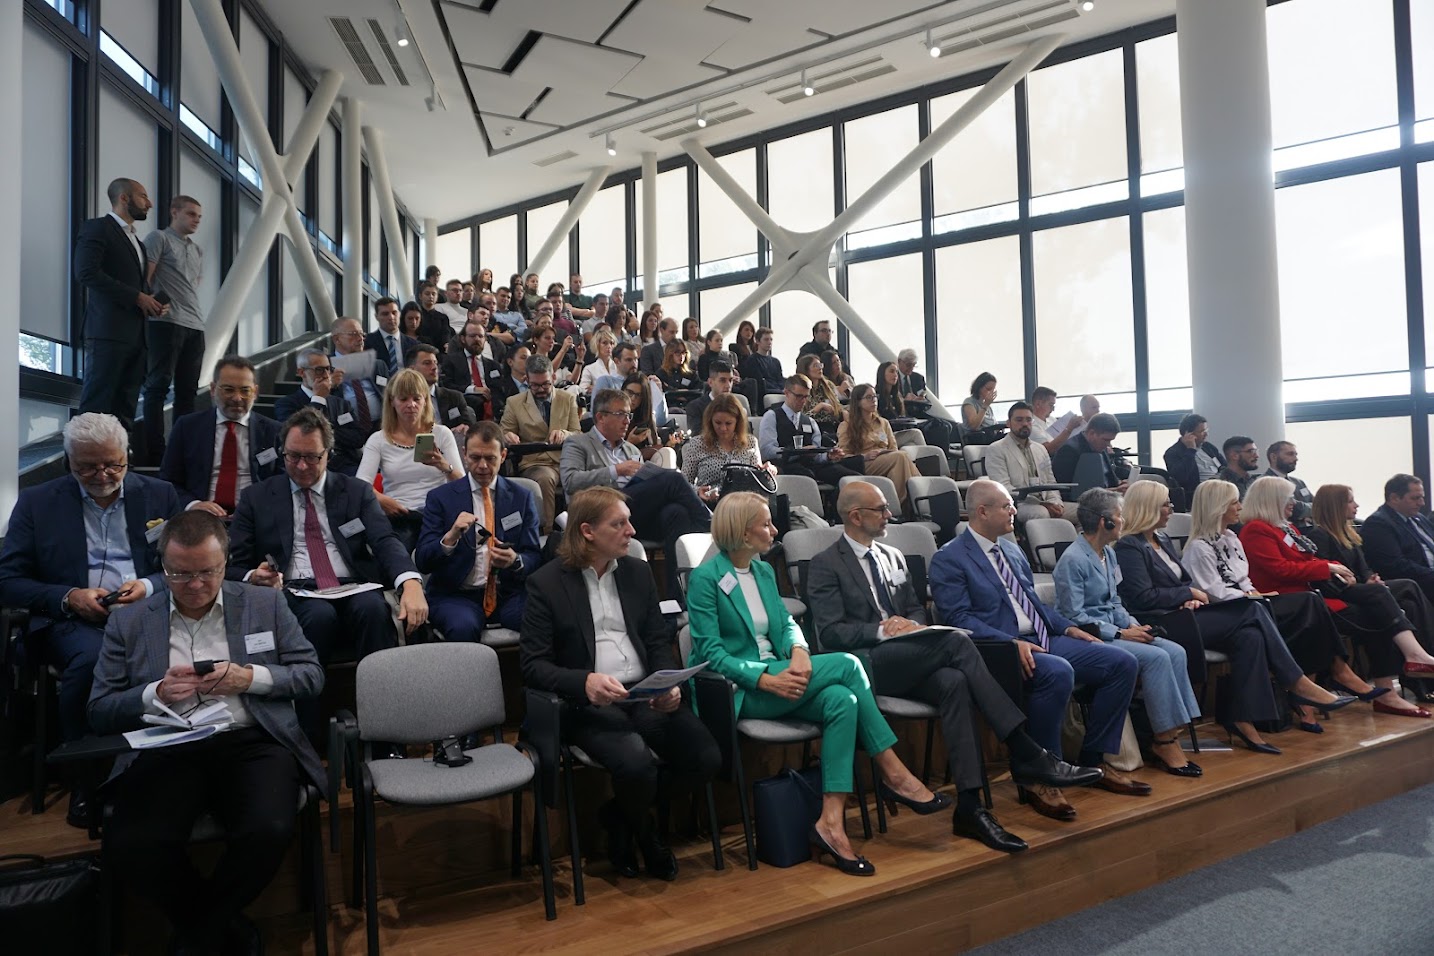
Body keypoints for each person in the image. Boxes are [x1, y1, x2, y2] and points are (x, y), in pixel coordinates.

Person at [808, 482, 1101, 852]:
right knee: (958, 641)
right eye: (880, 509)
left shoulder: (893, 556)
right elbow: (830, 634)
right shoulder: (825, 564)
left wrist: (911, 623)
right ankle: (1025, 749)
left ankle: (970, 806)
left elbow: (915, 608)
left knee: (954, 681)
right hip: (866, 665)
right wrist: (883, 629)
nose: (889, 515)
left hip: (910, 656)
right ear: (855, 516)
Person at [88, 510, 324, 956]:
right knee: (134, 841)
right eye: (181, 574)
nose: (195, 585)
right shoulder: (129, 621)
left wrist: (249, 678)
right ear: (162, 567)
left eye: (208, 572)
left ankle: (198, 937)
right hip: (167, 745)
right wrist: (154, 693)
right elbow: (99, 710)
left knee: (269, 828)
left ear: (225, 562)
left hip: (251, 739)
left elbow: (311, 676)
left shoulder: (264, 604)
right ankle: (222, 928)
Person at [689, 492, 948, 875]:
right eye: (765, 524)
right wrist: (765, 679)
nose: (774, 531)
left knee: (842, 700)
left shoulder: (762, 570)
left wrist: (798, 650)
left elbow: (786, 623)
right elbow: (711, 654)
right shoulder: (705, 578)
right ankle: (893, 771)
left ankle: (830, 823)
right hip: (741, 690)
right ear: (743, 533)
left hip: (782, 673)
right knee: (848, 664)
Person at [520, 487, 720, 881]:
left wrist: (668, 684)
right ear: (588, 531)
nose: (632, 531)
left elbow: (657, 640)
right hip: (588, 703)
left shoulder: (637, 572)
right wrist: (584, 682)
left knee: (706, 757)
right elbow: (532, 666)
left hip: (643, 693)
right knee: (636, 764)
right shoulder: (546, 584)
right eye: (619, 524)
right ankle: (645, 834)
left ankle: (618, 817)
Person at [0, 412, 181, 824]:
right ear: (69, 461)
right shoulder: (37, 502)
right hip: (72, 621)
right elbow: (8, 580)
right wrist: (68, 597)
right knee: (95, 661)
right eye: (87, 467)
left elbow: (182, 565)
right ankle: (88, 777)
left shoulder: (160, 494)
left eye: (114, 464)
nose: (102, 475)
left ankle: (163, 768)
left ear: (127, 455)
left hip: (148, 611)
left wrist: (149, 585)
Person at [930, 479, 1140, 820]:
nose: (1014, 510)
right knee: (1057, 672)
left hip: (1042, 638)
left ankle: (1093, 759)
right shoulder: (949, 558)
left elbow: (1034, 606)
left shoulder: (1012, 550)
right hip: (997, 648)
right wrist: (1010, 642)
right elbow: (958, 618)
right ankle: (1042, 774)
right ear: (982, 512)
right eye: (1006, 506)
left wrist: (1068, 627)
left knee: (1121, 662)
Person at [228, 408, 427, 742]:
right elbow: (235, 564)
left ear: (328, 454)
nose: (301, 466)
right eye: (293, 457)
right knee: (318, 617)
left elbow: (385, 541)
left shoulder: (356, 491)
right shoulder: (256, 497)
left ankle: (387, 735)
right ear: (282, 452)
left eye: (312, 457)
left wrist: (410, 581)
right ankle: (308, 737)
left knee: (374, 610)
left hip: (353, 584)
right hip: (295, 588)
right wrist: (253, 575)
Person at [1115, 479, 1339, 752]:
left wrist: (1188, 596)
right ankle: (1295, 681)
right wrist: (1188, 594)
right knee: (1253, 609)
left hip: (1185, 614)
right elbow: (1143, 597)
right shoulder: (1129, 546)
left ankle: (1243, 719)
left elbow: (1180, 582)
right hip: (1161, 623)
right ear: (1148, 507)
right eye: (1165, 505)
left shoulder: (1161, 539)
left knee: (1250, 636)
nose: (1171, 509)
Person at [1181, 479, 1372, 733]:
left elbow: (1243, 578)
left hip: (1248, 605)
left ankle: (1316, 683)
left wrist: (1253, 592)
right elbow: (1215, 591)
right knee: (1307, 604)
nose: (1240, 506)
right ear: (1218, 507)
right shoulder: (1199, 547)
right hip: (1227, 610)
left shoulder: (1231, 538)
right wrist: (1252, 596)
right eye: (1234, 502)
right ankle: (1314, 680)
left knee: (1306, 606)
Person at [1239, 476, 1412, 720]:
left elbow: (1308, 560)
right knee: (1370, 614)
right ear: (1271, 500)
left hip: (1307, 598)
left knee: (1375, 613)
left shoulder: (1286, 528)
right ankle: (1340, 674)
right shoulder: (1256, 529)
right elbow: (1280, 569)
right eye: (1287, 498)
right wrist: (1328, 567)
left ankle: (1359, 682)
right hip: (1284, 601)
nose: (1294, 503)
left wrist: (1333, 567)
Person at [1055, 488, 1201, 776]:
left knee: (1175, 651)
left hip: (1117, 629)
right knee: (1157, 658)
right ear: (1105, 522)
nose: (1124, 521)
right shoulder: (1073, 559)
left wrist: (1132, 625)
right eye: (1119, 515)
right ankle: (1164, 740)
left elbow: (1115, 602)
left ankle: (1173, 730)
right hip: (1092, 637)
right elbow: (1074, 617)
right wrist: (1120, 634)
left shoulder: (1108, 553)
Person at [560, 389, 712, 600]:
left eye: (628, 414)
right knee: (673, 479)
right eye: (620, 414)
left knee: (676, 513)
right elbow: (570, 481)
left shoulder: (631, 450)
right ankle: (711, 524)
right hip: (599, 511)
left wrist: (694, 491)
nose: (627, 421)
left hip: (635, 515)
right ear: (600, 417)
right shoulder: (578, 443)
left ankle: (675, 599)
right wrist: (615, 470)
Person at [416, 423, 539, 639]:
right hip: (456, 595)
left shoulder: (522, 497)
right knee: (462, 627)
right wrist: (450, 538)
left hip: (508, 593)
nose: (482, 466)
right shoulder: (440, 498)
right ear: (464, 454)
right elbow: (423, 561)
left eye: (490, 458)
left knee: (542, 618)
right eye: (475, 458)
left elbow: (535, 556)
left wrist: (516, 560)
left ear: (503, 455)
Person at [1310, 483, 1434, 694]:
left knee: (1409, 602)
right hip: (1341, 593)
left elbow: (1364, 567)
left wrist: (1370, 578)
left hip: (1361, 589)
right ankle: (1419, 655)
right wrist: (1360, 582)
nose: (1356, 505)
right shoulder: (1319, 535)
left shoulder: (1348, 533)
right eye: (1350, 501)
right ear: (1335, 505)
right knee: (1401, 587)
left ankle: (1420, 676)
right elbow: (1323, 578)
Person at [77, 177, 167, 432]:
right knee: (96, 406)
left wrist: (151, 301)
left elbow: (138, 286)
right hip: (107, 334)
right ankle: (83, 458)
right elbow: (86, 272)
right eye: (143, 196)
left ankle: (120, 457)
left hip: (137, 338)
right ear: (124, 198)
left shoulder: (138, 243)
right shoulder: (98, 228)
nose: (149, 203)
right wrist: (137, 297)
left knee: (125, 411)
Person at [356, 368, 464, 552]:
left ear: (425, 401)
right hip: (400, 514)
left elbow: (462, 484)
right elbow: (360, 486)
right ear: (392, 402)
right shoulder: (378, 439)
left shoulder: (442, 433)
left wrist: (444, 465)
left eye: (416, 398)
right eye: (403, 399)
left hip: (437, 511)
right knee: (396, 550)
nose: (411, 405)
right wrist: (382, 500)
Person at [159, 356, 282, 513]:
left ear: (255, 392)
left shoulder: (274, 431)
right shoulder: (187, 427)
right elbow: (168, 481)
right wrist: (193, 504)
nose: (237, 398)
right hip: (200, 516)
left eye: (245, 390)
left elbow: (283, 482)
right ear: (212, 389)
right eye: (228, 390)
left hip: (256, 516)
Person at [140, 194, 206, 463]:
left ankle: (181, 454)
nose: (196, 220)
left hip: (195, 324)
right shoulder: (159, 238)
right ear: (174, 212)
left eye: (199, 217)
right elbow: (144, 280)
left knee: (188, 393)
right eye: (191, 214)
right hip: (165, 324)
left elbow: (192, 285)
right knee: (157, 387)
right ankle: (155, 454)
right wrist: (153, 304)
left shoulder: (197, 250)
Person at [500, 354, 582, 533]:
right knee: (545, 478)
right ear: (526, 380)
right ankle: (547, 532)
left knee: (589, 475)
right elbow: (504, 432)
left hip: (565, 461)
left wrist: (564, 433)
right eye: (535, 385)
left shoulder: (567, 399)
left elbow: (577, 433)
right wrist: (508, 436)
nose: (541, 389)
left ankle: (579, 530)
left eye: (546, 384)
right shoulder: (514, 402)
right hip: (534, 462)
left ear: (554, 377)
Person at [274, 348, 368, 476]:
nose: (325, 375)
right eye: (319, 370)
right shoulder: (287, 404)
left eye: (328, 369)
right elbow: (305, 433)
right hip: (309, 466)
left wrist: (325, 431)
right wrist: (318, 399)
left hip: (345, 464)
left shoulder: (340, 403)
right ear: (301, 372)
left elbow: (358, 438)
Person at [758, 374, 863, 486]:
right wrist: (797, 451)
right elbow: (767, 451)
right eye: (799, 396)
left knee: (852, 478)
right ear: (787, 393)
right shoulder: (772, 416)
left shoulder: (810, 422)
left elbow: (816, 454)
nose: (803, 401)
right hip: (786, 466)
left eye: (806, 396)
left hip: (813, 466)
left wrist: (827, 456)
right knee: (807, 475)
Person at [984, 402, 1071, 527]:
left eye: (1028, 420)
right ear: (1008, 423)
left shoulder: (1040, 449)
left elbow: (1051, 481)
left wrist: (1056, 503)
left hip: (1046, 501)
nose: (1025, 424)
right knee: (1042, 513)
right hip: (1019, 504)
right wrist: (1041, 504)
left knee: (1087, 512)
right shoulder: (996, 449)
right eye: (1019, 420)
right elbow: (1003, 488)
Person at [836, 384, 918, 512]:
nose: (874, 400)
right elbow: (843, 456)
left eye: (875, 396)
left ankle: (899, 507)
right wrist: (864, 456)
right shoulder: (846, 426)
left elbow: (893, 448)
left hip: (888, 459)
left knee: (899, 461)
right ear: (858, 402)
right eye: (869, 397)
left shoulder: (883, 422)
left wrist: (885, 452)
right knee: (901, 457)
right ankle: (909, 504)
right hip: (865, 462)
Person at [1358, 474, 1434, 604]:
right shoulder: (1378, 524)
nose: (1422, 503)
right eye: (1415, 498)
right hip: (1420, 582)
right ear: (1394, 498)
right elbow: (1395, 565)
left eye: (1422, 497)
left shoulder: (1418, 518)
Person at [681, 394, 768, 506]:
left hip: (742, 505)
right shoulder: (697, 444)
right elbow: (683, 482)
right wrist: (698, 491)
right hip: (708, 505)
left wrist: (766, 471)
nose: (723, 428)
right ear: (710, 421)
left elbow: (757, 481)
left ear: (738, 422)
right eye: (718, 423)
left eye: (728, 423)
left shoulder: (750, 443)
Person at [328, 317, 386, 439]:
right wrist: (329, 386)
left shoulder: (378, 365)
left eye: (362, 334)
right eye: (353, 334)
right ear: (336, 339)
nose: (360, 339)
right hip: (344, 432)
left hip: (381, 429)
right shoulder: (324, 367)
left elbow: (391, 394)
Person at [407, 343, 477, 438]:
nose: (434, 367)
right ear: (412, 369)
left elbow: (469, 427)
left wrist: (465, 427)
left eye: (435, 363)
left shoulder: (454, 398)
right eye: (427, 363)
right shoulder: (404, 401)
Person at [440, 318, 504, 420]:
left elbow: (499, 388)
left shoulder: (493, 365)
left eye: (480, 336)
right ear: (463, 339)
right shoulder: (451, 361)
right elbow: (446, 386)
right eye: (472, 336)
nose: (477, 339)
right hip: (467, 403)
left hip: (493, 405)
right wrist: (473, 389)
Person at [1052, 412, 1128, 493]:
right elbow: (1068, 490)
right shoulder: (1069, 451)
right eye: (1106, 440)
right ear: (1092, 433)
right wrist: (1114, 491)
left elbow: (1107, 477)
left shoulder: (1100, 447)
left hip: (1107, 495)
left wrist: (1119, 483)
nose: (1108, 444)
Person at [1163, 413, 1222, 510]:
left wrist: (1219, 476)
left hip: (1220, 489)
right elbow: (1181, 477)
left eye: (1206, 430)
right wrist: (1190, 450)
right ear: (1189, 434)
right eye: (1202, 431)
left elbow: (1224, 466)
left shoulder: (1208, 447)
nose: (1206, 434)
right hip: (1198, 496)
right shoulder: (1173, 453)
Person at [620, 374, 680, 464]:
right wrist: (629, 443)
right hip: (622, 461)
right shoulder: (614, 414)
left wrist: (669, 444)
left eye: (638, 395)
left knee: (667, 452)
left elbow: (654, 445)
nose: (633, 398)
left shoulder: (646, 416)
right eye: (630, 392)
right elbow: (610, 452)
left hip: (645, 461)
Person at [683, 359, 749, 429]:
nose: (728, 385)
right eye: (722, 380)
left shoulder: (738, 405)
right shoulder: (695, 407)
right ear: (710, 382)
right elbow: (697, 434)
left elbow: (746, 432)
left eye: (730, 380)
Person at [364, 296, 419, 373]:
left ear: (399, 314)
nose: (391, 317)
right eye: (385, 314)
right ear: (376, 317)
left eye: (394, 313)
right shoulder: (367, 342)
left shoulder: (414, 345)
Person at [796, 353, 843, 437]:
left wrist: (838, 411)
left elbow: (837, 408)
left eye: (820, 365)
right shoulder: (801, 390)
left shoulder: (828, 386)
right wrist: (818, 408)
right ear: (806, 370)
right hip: (810, 428)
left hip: (831, 426)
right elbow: (799, 419)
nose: (820, 368)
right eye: (816, 366)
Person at [1029, 386, 1083, 456]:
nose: (1053, 409)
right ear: (1038, 404)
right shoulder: (1032, 425)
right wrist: (1069, 429)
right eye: (1050, 405)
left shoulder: (1051, 419)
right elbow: (1048, 450)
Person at [577, 328, 621, 396]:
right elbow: (583, 390)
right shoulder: (589, 368)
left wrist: (597, 388)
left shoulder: (619, 366)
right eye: (605, 343)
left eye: (612, 343)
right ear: (597, 345)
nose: (609, 346)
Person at [740, 327, 785, 394]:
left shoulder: (776, 361)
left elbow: (780, 380)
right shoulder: (752, 360)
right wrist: (780, 391)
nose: (769, 342)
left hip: (779, 392)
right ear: (757, 341)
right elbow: (760, 383)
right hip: (765, 393)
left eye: (771, 339)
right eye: (766, 339)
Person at [960, 372, 1001, 444]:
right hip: (978, 440)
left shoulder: (988, 406)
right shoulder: (969, 402)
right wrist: (985, 406)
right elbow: (974, 426)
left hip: (992, 439)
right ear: (979, 387)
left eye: (993, 390)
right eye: (988, 389)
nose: (991, 392)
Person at [1217, 436, 1259, 500]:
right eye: (1251, 451)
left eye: (1256, 451)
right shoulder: (1218, 484)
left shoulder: (1256, 481)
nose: (1256, 456)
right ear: (1234, 456)